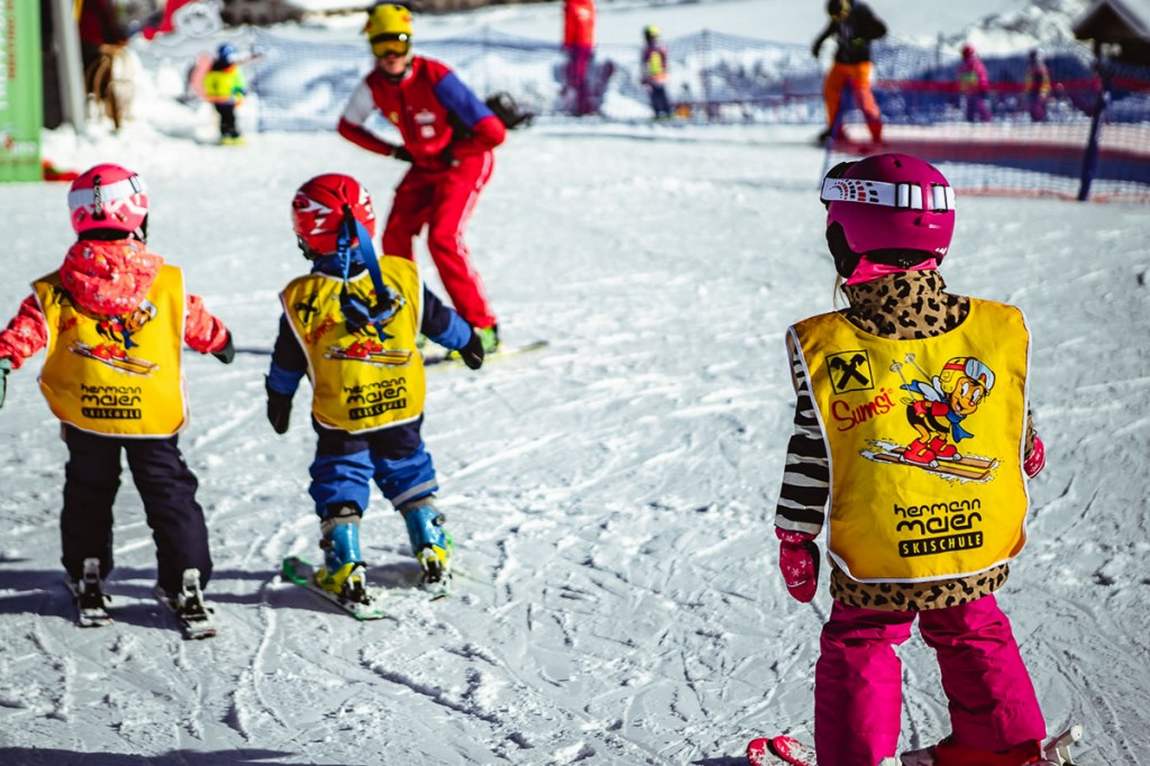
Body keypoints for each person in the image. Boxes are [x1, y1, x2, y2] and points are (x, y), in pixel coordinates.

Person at [775, 153, 1050, 766]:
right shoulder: (996, 328)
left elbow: (812, 454)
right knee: (974, 627)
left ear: (845, 241)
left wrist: (795, 535)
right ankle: (1008, 748)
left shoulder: (828, 344)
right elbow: (1016, 428)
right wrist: (1028, 447)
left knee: (863, 638)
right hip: (974, 533)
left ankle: (858, 758)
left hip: (882, 543)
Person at [0, 163, 235, 624]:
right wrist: (220, 340)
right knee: (169, 492)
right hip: (152, 415)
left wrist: (5, 357)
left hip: (88, 413)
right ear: (138, 213)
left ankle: (87, 568)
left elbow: (28, 328)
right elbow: (196, 321)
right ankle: (185, 575)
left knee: (88, 491)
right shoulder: (166, 283)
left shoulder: (56, 288)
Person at [264, 174, 487, 604]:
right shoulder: (401, 276)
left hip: (343, 415)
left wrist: (279, 396)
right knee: (406, 466)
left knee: (341, 476)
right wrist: (469, 341)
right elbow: (439, 320)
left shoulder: (304, 297)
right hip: (400, 403)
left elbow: (286, 360)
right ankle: (431, 543)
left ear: (307, 235)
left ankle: (345, 562)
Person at [338, 3, 506, 353]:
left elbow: (493, 132)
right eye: (381, 46)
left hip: (465, 161)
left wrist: (456, 151)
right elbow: (348, 126)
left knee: (442, 237)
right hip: (425, 164)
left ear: (409, 44)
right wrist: (394, 151)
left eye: (398, 44)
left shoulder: (435, 76)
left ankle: (481, 327)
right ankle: (415, 319)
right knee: (394, 238)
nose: (391, 55)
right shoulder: (374, 86)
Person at [811, 0, 886, 144]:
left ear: (845, 9)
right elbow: (830, 29)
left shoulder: (862, 11)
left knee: (863, 98)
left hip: (860, 63)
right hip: (841, 62)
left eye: (840, 16)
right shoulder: (837, 13)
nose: (838, 20)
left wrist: (861, 38)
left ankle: (876, 134)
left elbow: (881, 30)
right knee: (830, 90)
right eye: (835, 18)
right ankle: (835, 130)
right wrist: (818, 44)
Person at [202, 42, 248, 144]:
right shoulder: (214, 69)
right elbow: (208, 82)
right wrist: (212, 93)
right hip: (218, 99)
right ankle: (226, 135)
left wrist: (240, 92)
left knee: (231, 117)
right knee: (224, 117)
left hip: (230, 99)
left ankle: (234, 135)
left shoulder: (233, 69)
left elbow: (238, 82)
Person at [563, 0, 596, 116]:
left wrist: (567, 44)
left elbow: (569, 26)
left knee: (577, 78)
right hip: (586, 44)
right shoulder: (589, 4)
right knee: (582, 77)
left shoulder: (572, 5)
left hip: (577, 45)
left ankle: (581, 107)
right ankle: (584, 106)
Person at [641, 25, 672, 120]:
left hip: (657, 76)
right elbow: (645, 64)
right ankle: (661, 113)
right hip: (655, 76)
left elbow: (648, 64)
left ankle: (665, 113)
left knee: (659, 95)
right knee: (657, 96)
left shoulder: (654, 49)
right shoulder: (653, 48)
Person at [958, 43, 992, 122]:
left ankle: (983, 120)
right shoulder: (974, 63)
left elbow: (976, 75)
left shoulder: (971, 63)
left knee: (977, 106)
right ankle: (982, 120)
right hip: (974, 89)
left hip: (976, 89)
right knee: (975, 106)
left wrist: (966, 87)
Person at [1025, 49, 1051, 122]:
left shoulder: (1040, 67)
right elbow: (1029, 80)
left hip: (1039, 91)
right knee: (1033, 106)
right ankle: (1036, 119)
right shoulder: (1031, 67)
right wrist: (1027, 90)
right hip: (1033, 91)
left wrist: (1043, 92)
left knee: (1038, 106)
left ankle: (1042, 118)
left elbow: (1045, 81)